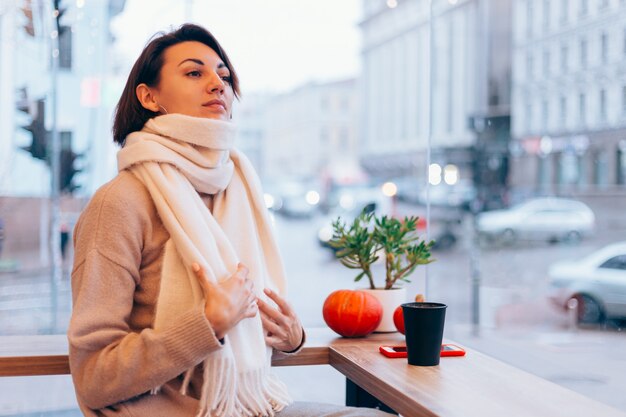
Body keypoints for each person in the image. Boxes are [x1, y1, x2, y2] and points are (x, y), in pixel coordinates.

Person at [68, 24, 393, 417]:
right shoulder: (120, 202)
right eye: (194, 72)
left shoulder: (237, 186)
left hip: (246, 406)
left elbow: (245, 344)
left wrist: (290, 337)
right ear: (149, 96)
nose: (217, 84)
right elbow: (93, 376)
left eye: (223, 75)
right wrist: (207, 322)